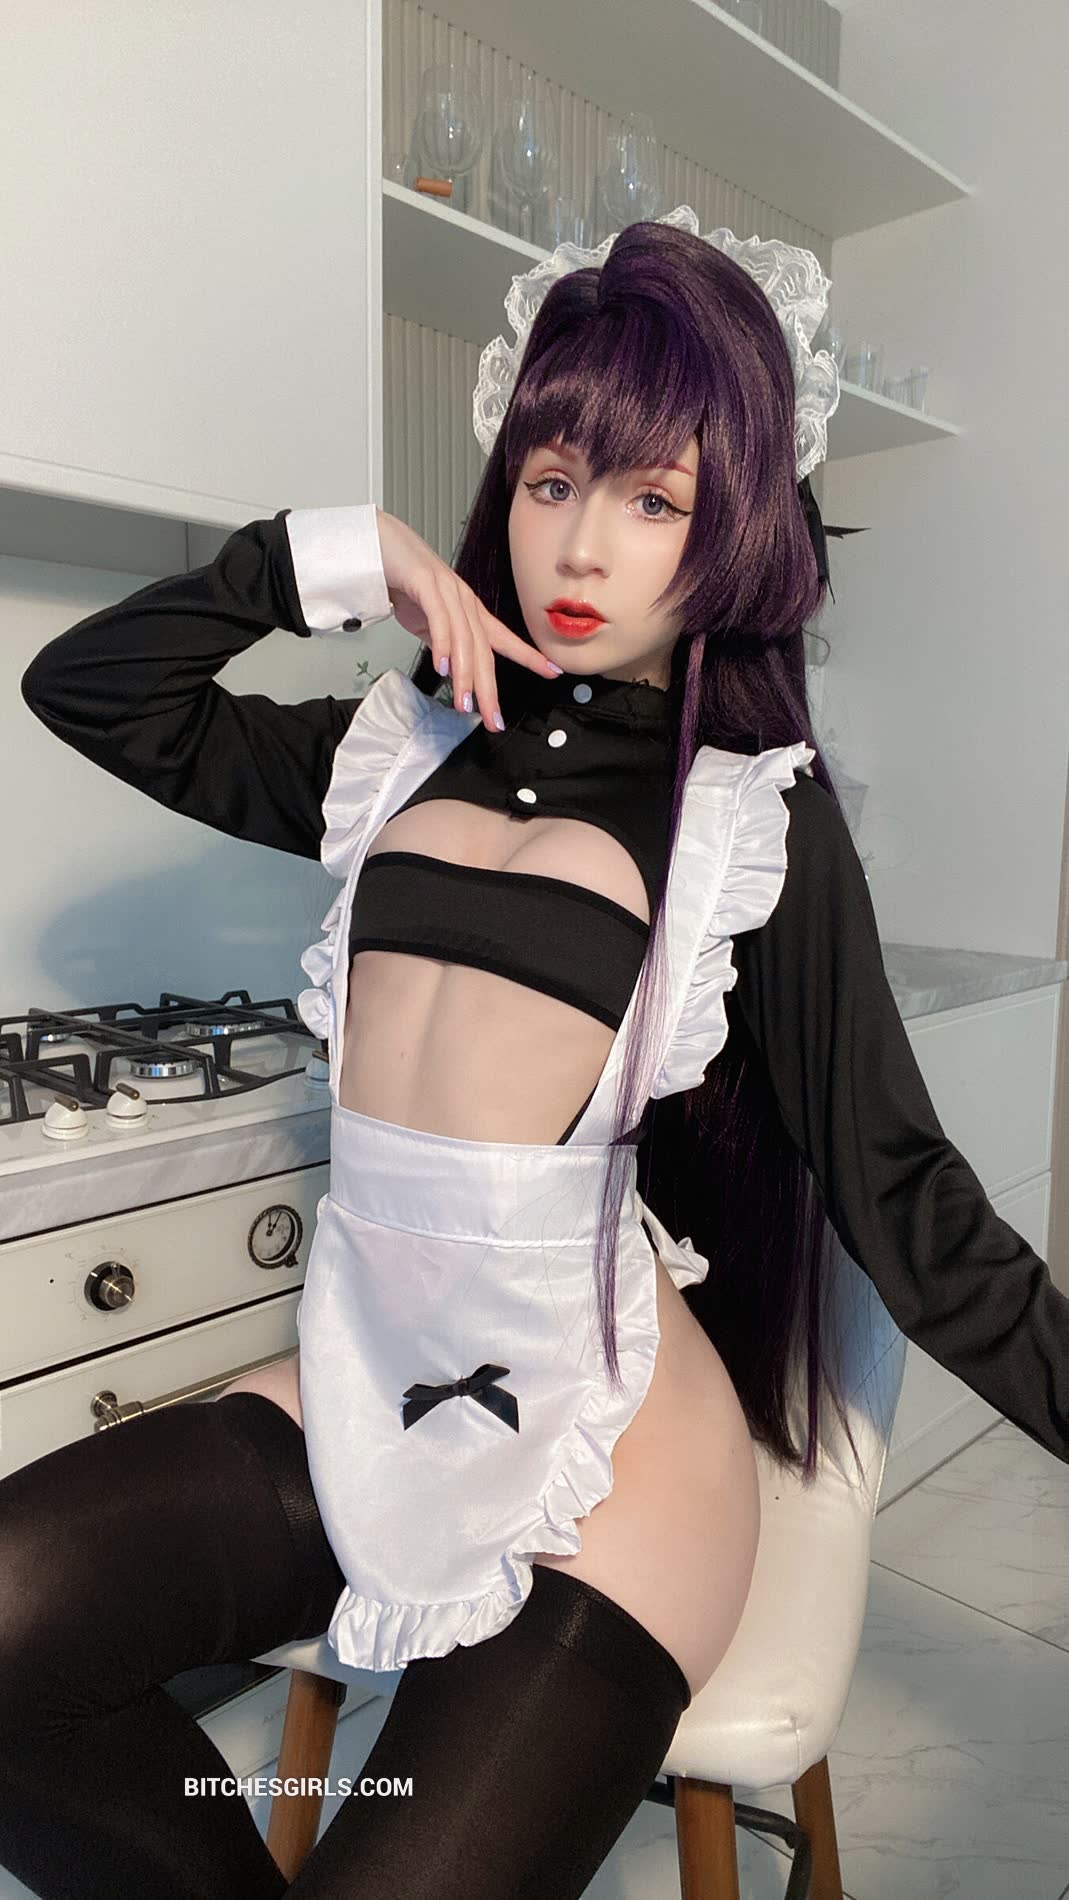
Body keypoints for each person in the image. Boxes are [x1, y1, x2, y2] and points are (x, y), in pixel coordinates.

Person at [3, 213, 1067, 1899]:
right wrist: (327, 560)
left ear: (733, 530)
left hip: (612, 1442)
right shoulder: (388, 748)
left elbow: (907, 1198)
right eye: (552, 479)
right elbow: (89, 690)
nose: (580, 545)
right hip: (363, 1377)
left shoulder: (745, 819)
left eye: (653, 502)